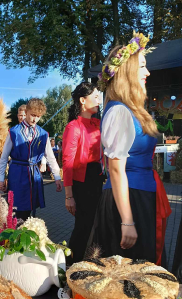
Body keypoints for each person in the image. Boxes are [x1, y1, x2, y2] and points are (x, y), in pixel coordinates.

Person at [88, 32, 171, 265]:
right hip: (128, 200)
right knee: (127, 271)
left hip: (139, 195)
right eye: (142, 66)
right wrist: (127, 220)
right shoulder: (119, 111)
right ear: (127, 73)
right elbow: (115, 169)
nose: (148, 72)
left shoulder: (131, 109)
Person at [0, 98, 62, 221]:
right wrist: (1, 178)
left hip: (34, 174)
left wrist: (57, 177)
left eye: (38, 116)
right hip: (17, 173)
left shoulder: (43, 134)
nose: (35, 119)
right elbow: (4, 157)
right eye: (33, 115)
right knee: (16, 209)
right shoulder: (14, 132)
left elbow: (50, 156)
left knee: (31, 209)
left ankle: (28, 233)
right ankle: (14, 234)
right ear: (26, 112)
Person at [62, 82, 103, 263]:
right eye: (94, 97)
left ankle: (89, 262)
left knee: (97, 225)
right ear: (82, 100)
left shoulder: (98, 124)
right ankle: (71, 267)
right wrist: (69, 195)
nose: (98, 101)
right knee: (82, 227)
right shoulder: (73, 127)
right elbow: (67, 162)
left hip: (98, 177)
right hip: (82, 182)